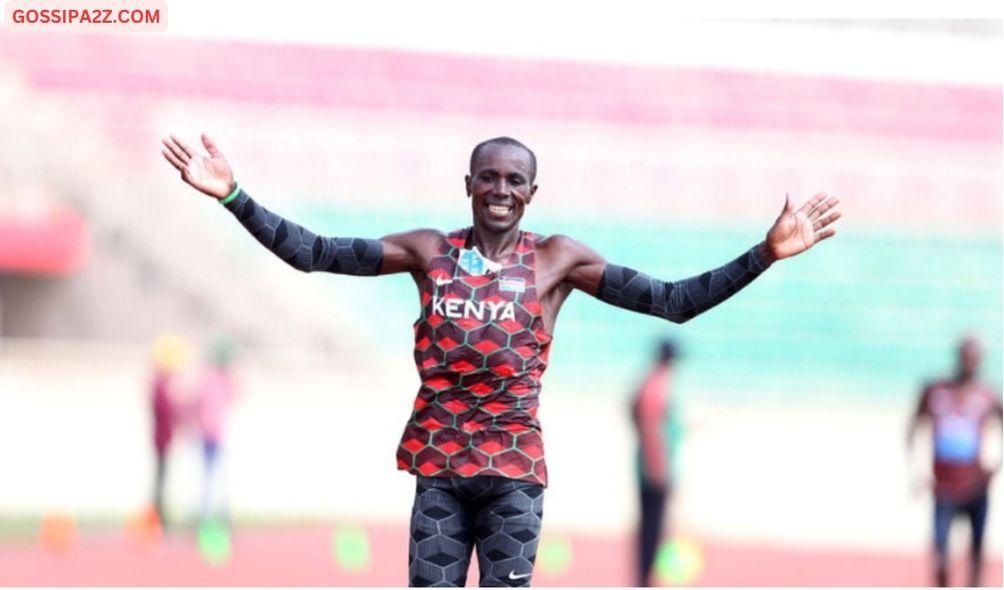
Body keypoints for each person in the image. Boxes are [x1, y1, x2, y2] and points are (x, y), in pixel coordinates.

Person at [161, 133, 841, 586]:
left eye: (515, 179)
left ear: (531, 193)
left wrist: (764, 254)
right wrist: (232, 196)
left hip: (514, 474)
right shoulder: (427, 252)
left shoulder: (558, 260)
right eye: (488, 176)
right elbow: (315, 253)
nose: (501, 188)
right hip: (439, 470)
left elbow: (674, 301)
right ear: (468, 184)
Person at [907, 336, 1002, 587]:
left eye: (975, 356)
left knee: (977, 553)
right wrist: (916, 470)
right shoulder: (936, 391)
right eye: (966, 355)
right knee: (940, 555)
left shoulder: (986, 394)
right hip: (944, 486)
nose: (970, 361)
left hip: (975, 484)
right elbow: (914, 426)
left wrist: (996, 467)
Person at [632, 339, 684, 587]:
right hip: (654, 467)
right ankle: (645, 582)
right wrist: (658, 466)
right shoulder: (656, 385)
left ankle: (645, 580)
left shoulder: (651, 382)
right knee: (653, 529)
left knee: (651, 528)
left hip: (651, 463)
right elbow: (651, 426)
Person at [193, 337, 237, 525]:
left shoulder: (219, 380)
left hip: (214, 435)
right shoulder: (211, 380)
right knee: (210, 477)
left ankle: (217, 513)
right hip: (209, 435)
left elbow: (233, 395)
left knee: (215, 476)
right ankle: (208, 514)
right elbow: (203, 405)